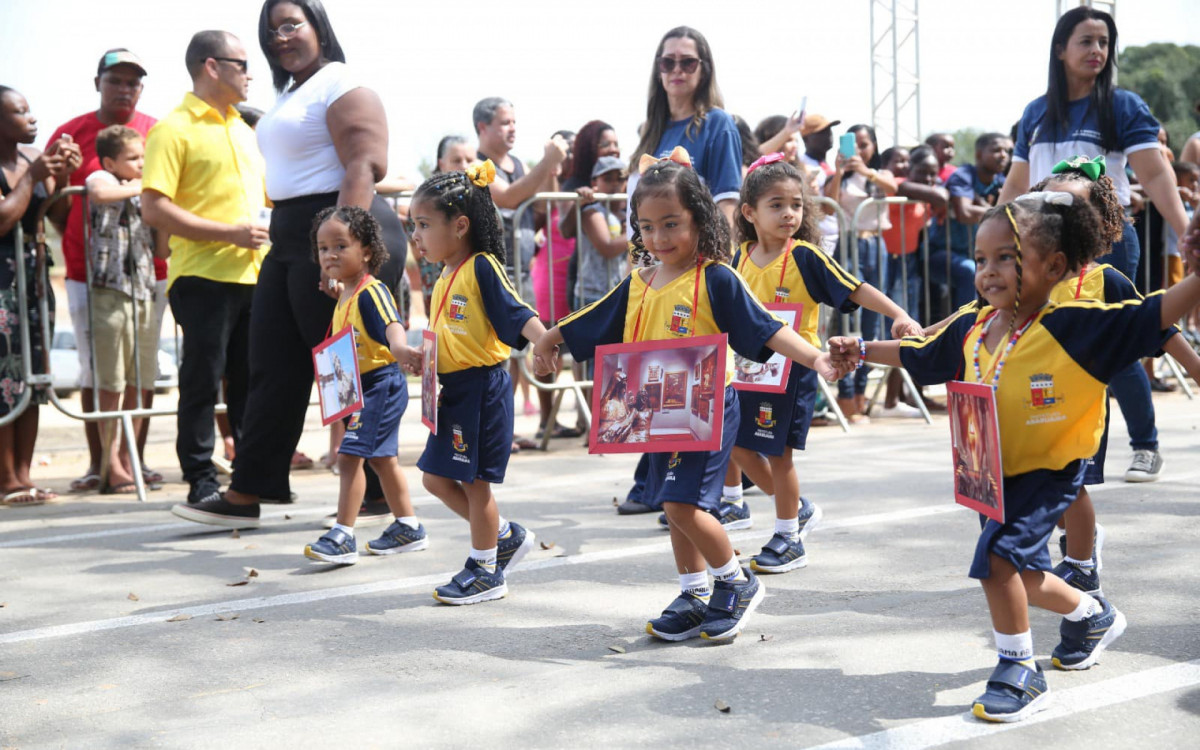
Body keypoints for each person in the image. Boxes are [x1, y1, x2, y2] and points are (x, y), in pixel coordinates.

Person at [830, 193, 1200, 722]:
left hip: (1050, 469)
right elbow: (923, 355)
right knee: (1020, 571)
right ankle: (1091, 614)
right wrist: (861, 351)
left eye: (1007, 257)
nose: (988, 272)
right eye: (982, 260)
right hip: (991, 472)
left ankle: (1018, 669)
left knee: (997, 561)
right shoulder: (978, 325)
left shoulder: (1077, 324)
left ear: (1054, 266)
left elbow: (1153, 314)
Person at [533, 153, 842, 641]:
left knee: (682, 506)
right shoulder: (640, 281)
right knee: (671, 506)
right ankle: (694, 590)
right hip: (655, 413)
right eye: (648, 227)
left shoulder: (716, 277)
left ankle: (733, 581)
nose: (659, 238)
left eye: (672, 224)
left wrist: (816, 359)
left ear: (699, 218)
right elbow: (592, 319)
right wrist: (549, 340)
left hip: (706, 410)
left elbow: (765, 327)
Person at [171, 0, 407, 528]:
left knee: (347, 367)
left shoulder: (340, 82)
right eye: (270, 30)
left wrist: (340, 250)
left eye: (291, 24)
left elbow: (364, 164)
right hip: (291, 237)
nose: (280, 37)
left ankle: (376, 490)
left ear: (319, 26)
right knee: (272, 364)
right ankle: (251, 488)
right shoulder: (288, 94)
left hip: (339, 227)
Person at [998, 6, 1190, 483]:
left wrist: (1187, 233)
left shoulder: (1122, 106)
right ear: (1060, 49)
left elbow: (1155, 173)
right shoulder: (1036, 113)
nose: (1097, 51)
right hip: (1045, 247)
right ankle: (1083, 456)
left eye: (1104, 42)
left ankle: (1145, 446)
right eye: (1086, 41)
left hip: (1107, 241)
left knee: (1119, 347)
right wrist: (997, 235)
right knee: (1064, 346)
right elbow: (1016, 184)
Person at [727, 153, 920, 570]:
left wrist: (899, 314)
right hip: (748, 368)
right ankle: (797, 510)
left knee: (780, 456)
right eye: (776, 205)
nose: (789, 213)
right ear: (749, 212)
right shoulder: (737, 258)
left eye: (796, 204)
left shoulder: (806, 257)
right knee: (739, 448)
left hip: (797, 368)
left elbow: (856, 288)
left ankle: (787, 537)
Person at [1033, 158, 1200, 599]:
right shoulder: (1025, 276)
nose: (1060, 218)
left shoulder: (1107, 280)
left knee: (1070, 489)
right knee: (1050, 495)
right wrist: (919, 332)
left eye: (1074, 209)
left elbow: (1160, 329)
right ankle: (1078, 545)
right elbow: (972, 317)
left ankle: (1081, 564)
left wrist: (1197, 371)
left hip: (1080, 410)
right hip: (1030, 405)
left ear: (1100, 222)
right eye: (1052, 206)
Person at [619, 25, 743, 516]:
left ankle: (716, 496)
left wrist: (716, 267)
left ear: (703, 69)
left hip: (696, 270)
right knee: (657, 376)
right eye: (667, 62)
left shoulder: (717, 124)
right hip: (649, 270)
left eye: (687, 62)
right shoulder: (652, 130)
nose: (675, 71)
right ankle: (663, 481)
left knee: (703, 384)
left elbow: (727, 202)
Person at [140, 30, 267, 507]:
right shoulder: (172, 129)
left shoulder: (244, 128)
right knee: (201, 380)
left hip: (255, 274)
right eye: (241, 63)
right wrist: (227, 233)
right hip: (202, 277)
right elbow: (154, 208)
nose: (250, 73)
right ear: (211, 66)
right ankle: (201, 479)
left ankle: (250, 479)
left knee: (250, 382)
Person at [409, 161, 542, 605]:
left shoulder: (482, 266)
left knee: (475, 483)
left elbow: (515, 311)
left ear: (460, 225)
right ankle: (502, 536)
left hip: (482, 388)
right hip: (454, 390)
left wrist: (544, 343)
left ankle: (486, 569)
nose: (417, 236)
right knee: (434, 478)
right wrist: (423, 360)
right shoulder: (446, 272)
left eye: (424, 224)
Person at [46, 48, 162, 494]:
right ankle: (101, 464)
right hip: (88, 275)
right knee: (98, 373)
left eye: (133, 81)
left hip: (151, 272)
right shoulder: (71, 133)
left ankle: (136, 461)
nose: (124, 88)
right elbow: (53, 199)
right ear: (98, 82)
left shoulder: (158, 130)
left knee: (141, 372)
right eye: (116, 79)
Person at [302, 206, 423, 565]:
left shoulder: (372, 291)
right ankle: (408, 526)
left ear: (367, 250)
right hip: (362, 384)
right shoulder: (347, 294)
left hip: (380, 386)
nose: (330, 254)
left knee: (350, 455)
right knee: (382, 459)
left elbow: (391, 323)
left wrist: (400, 347)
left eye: (341, 246)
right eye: (323, 248)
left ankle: (343, 534)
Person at [0, 86, 79, 506]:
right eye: (20, 112)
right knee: (4, 379)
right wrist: (31, 179)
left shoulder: (33, 159)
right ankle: (5, 478)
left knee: (33, 379)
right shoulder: (25, 168)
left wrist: (61, 176)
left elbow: (59, 217)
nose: (32, 119)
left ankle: (23, 477)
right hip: (1, 280)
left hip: (32, 279)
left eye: (30, 110)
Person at [85, 125, 158, 494]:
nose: (142, 164)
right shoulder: (104, 177)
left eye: (144, 157)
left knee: (140, 381)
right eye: (134, 158)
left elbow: (160, 247)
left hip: (143, 290)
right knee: (112, 383)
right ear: (111, 160)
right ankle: (109, 461)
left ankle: (129, 458)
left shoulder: (142, 191)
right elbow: (98, 193)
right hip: (111, 290)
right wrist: (145, 187)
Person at [827, 123, 898, 421]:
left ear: (874, 146)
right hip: (848, 244)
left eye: (864, 144)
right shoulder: (839, 178)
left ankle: (861, 395)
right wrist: (841, 170)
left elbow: (893, 188)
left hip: (875, 245)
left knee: (872, 322)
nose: (858, 150)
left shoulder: (881, 174)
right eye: (852, 144)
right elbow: (828, 207)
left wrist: (866, 171)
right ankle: (845, 397)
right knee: (848, 318)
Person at [928, 133, 1010, 312]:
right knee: (970, 270)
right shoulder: (964, 175)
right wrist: (999, 211)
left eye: (1007, 151)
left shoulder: (1001, 181)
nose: (1004, 155)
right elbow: (964, 213)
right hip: (940, 253)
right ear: (979, 154)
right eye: (996, 150)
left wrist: (986, 209)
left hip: (976, 254)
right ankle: (965, 327)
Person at [416, 135, 474, 313]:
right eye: (457, 160)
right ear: (441, 164)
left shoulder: (480, 199)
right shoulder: (427, 200)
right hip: (437, 279)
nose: (464, 166)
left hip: (470, 283)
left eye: (469, 160)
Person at [800, 112, 842, 253]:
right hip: (815, 240)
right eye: (822, 132)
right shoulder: (801, 164)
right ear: (806, 139)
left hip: (833, 238)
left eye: (829, 130)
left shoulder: (830, 165)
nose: (828, 135)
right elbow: (828, 209)